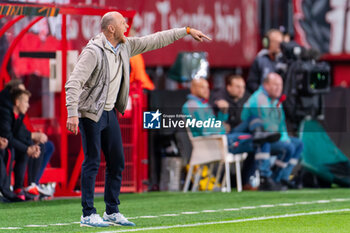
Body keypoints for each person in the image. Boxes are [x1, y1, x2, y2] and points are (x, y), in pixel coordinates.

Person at [65, 11, 211, 228]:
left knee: (117, 162)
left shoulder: (125, 45)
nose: (127, 25)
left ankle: (111, 211)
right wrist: (72, 113)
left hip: (109, 111)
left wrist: (186, 31)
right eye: (123, 23)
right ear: (111, 28)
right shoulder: (93, 52)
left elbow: (155, 39)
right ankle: (88, 214)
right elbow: (73, 82)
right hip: (90, 113)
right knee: (93, 161)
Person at [182, 78, 281, 191]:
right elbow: (205, 130)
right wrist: (222, 127)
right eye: (202, 87)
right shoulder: (192, 105)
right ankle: (264, 176)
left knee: (253, 121)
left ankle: (259, 135)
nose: (206, 90)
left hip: (223, 137)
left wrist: (223, 113)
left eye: (207, 87)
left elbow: (215, 124)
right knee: (261, 140)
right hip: (217, 142)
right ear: (193, 89)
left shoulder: (202, 104)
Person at [241, 72, 303, 188]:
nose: (279, 88)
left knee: (298, 144)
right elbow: (266, 128)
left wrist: (285, 139)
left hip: (273, 137)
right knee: (287, 147)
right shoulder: (259, 99)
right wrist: (284, 141)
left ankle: (283, 178)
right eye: (275, 85)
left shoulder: (276, 101)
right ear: (266, 85)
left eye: (280, 85)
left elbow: (281, 125)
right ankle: (272, 179)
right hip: (254, 138)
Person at [246, 29, 283, 93]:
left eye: (280, 42)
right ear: (267, 43)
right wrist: (263, 93)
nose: (278, 45)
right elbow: (251, 83)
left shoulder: (285, 61)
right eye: (275, 42)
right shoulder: (260, 60)